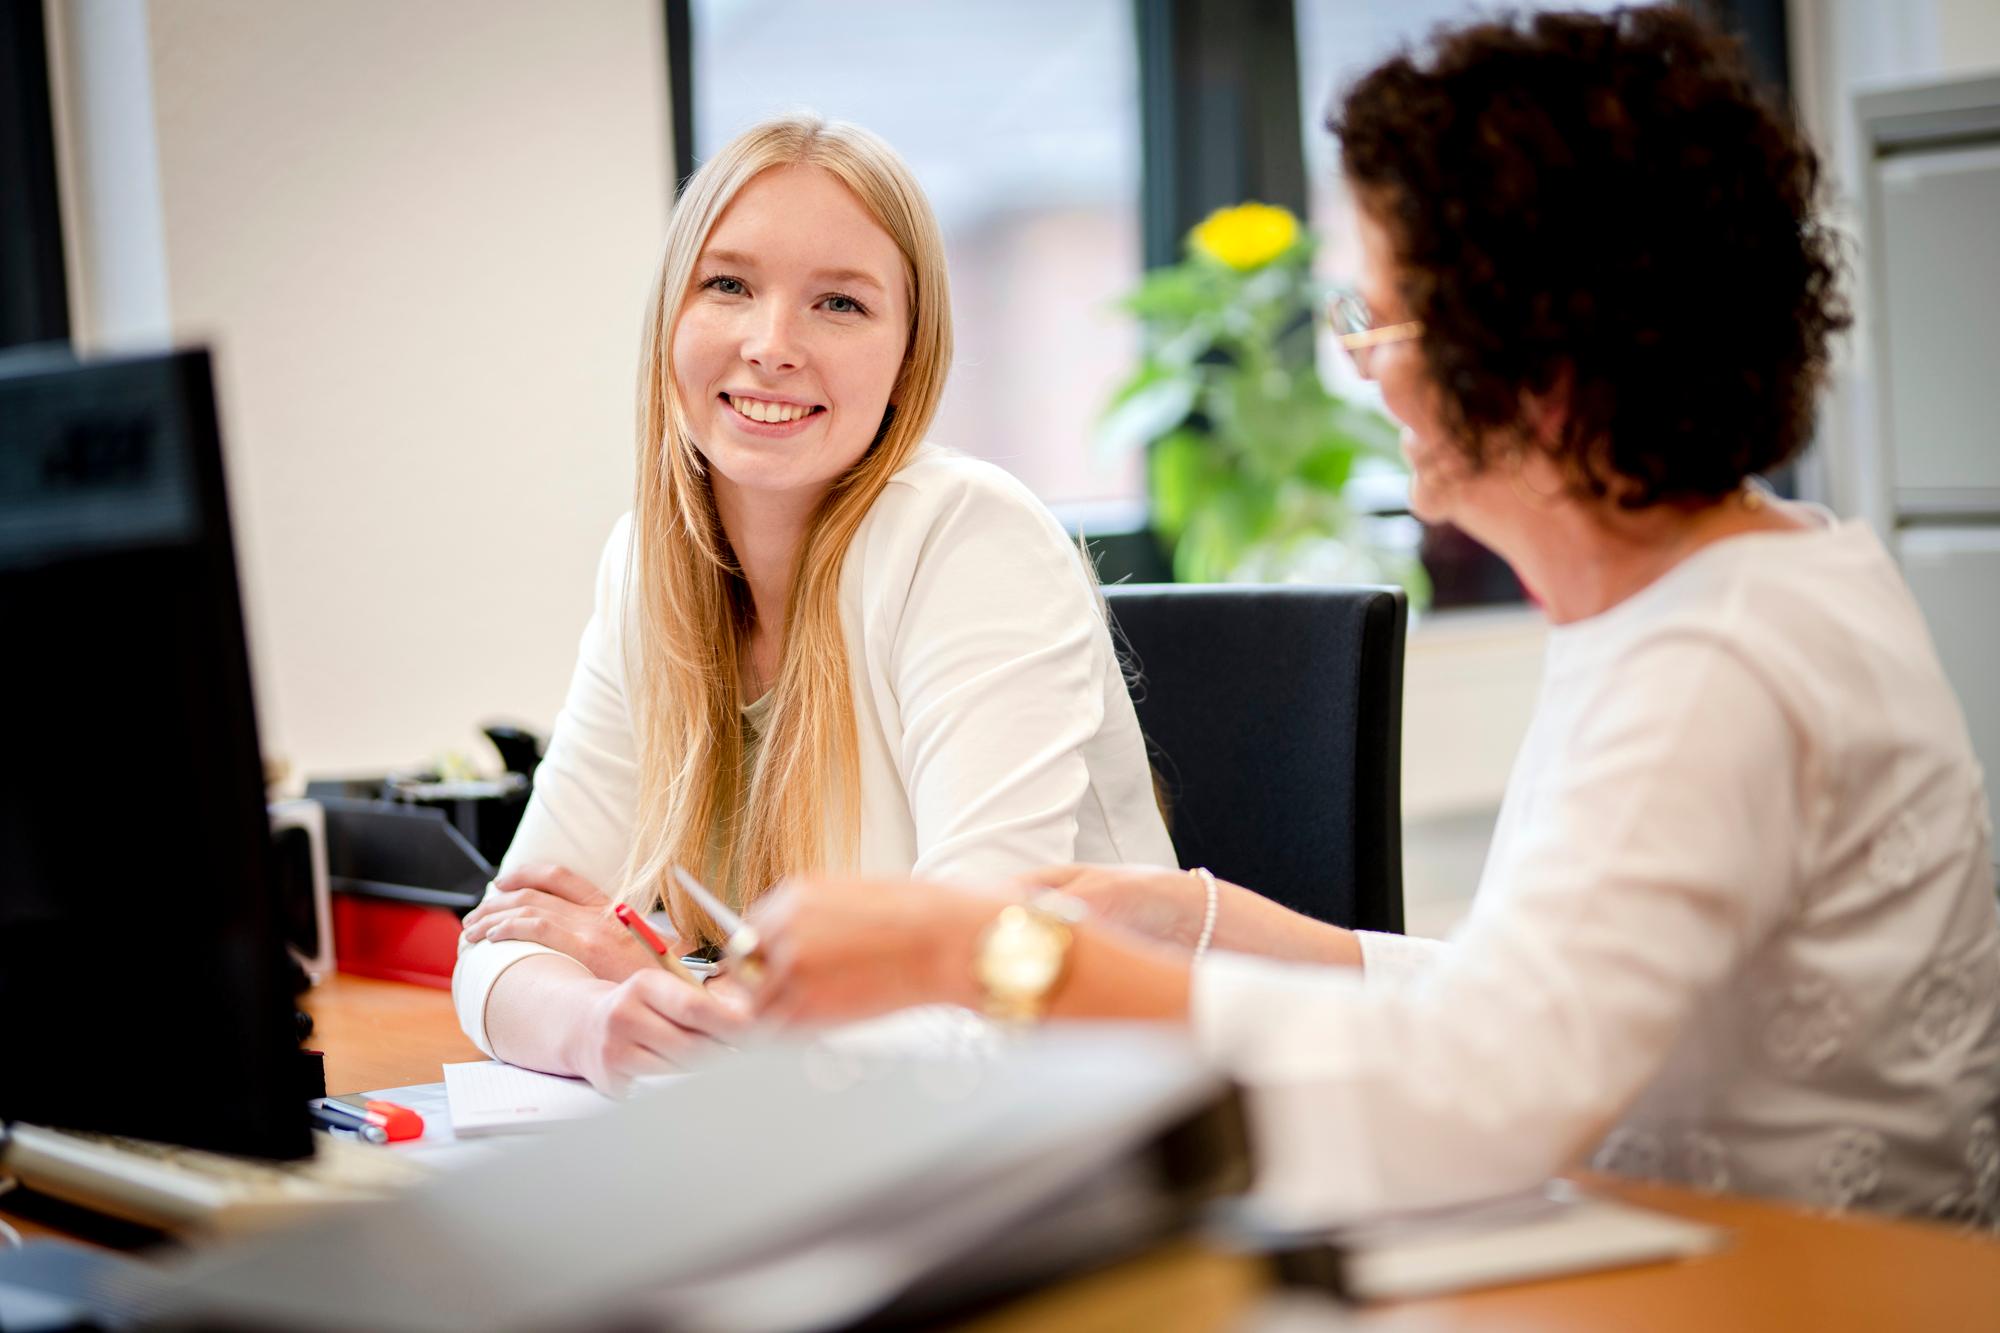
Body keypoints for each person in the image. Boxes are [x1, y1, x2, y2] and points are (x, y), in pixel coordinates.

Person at [744, 9, 2000, 1228]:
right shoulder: (1732, 582)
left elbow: (1470, 1096)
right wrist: (1204, 921)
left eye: (1377, 318)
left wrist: (990, 955)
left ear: (1537, 365)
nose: (1359, 364)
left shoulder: (1716, 658)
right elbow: (1535, 1005)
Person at [452, 115, 1175, 1091]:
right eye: (728, 285)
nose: (770, 344)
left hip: (1077, 1123)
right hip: (820, 1132)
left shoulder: (969, 539)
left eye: (837, 303)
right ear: (671, 313)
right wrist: (597, 1020)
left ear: (907, 354)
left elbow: (981, 999)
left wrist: (679, 987)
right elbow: (501, 942)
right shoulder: (649, 565)